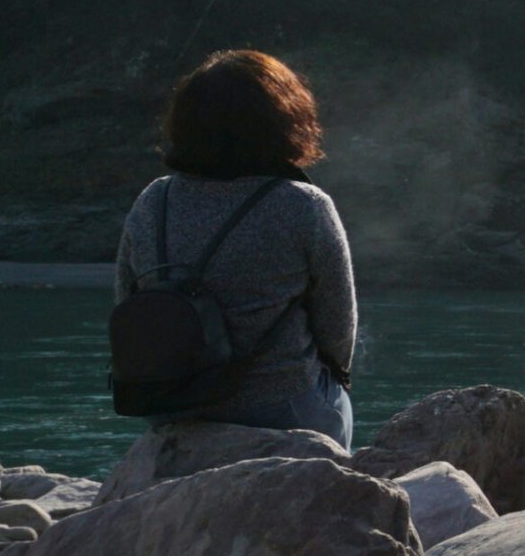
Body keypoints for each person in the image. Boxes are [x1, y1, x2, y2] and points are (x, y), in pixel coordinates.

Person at [114, 49, 355, 446]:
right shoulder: (304, 205)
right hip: (279, 407)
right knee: (336, 395)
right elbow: (337, 331)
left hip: (169, 403)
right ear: (285, 121)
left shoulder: (153, 201)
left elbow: (127, 299)